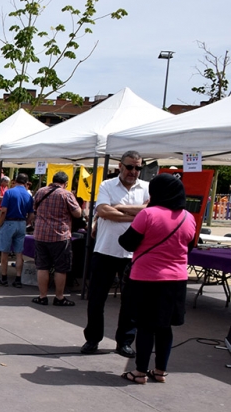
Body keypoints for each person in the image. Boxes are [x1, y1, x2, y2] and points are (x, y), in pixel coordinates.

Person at [117, 173, 196, 383]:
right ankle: (160, 371)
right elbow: (189, 246)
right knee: (165, 326)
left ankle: (140, 372)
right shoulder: (189, 217)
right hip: (177, 279)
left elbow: (127, 243)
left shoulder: (148, 214)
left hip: (146, 279)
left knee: (145, 326)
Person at [81, 151, 150, 358]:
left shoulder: (146, 187)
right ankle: (93, 339)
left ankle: (125, 342)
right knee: (96, 299)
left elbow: (149, 212)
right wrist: (135, 215)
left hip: (132, 254)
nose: (134, 172)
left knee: (131, 301)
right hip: (105, 250)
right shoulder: (107, 185)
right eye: (130, 167)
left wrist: (118, 208)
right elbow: (103, 211)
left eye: (138, 168)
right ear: (120, 166)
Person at [31, 171, 82, 307]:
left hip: (41, 234)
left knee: (42, 266)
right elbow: (78, 213)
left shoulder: (40, 191)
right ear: (65, 183)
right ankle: (59, 297)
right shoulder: (66, 194)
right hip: (60, 235)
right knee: (61, 268)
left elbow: (34, 208)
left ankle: (42, 296)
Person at [0, 173, 34, 288]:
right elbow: (31, 215)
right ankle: (18, 278)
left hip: (8, 222)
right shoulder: (28, 195)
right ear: (26, 183)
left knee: (5, 252)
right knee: (19, 252)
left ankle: (4, 277)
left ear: (15, 180)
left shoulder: (9, 192)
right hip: (21, 222)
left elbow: (3, 210)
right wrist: (25, 223)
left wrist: (0, 223)